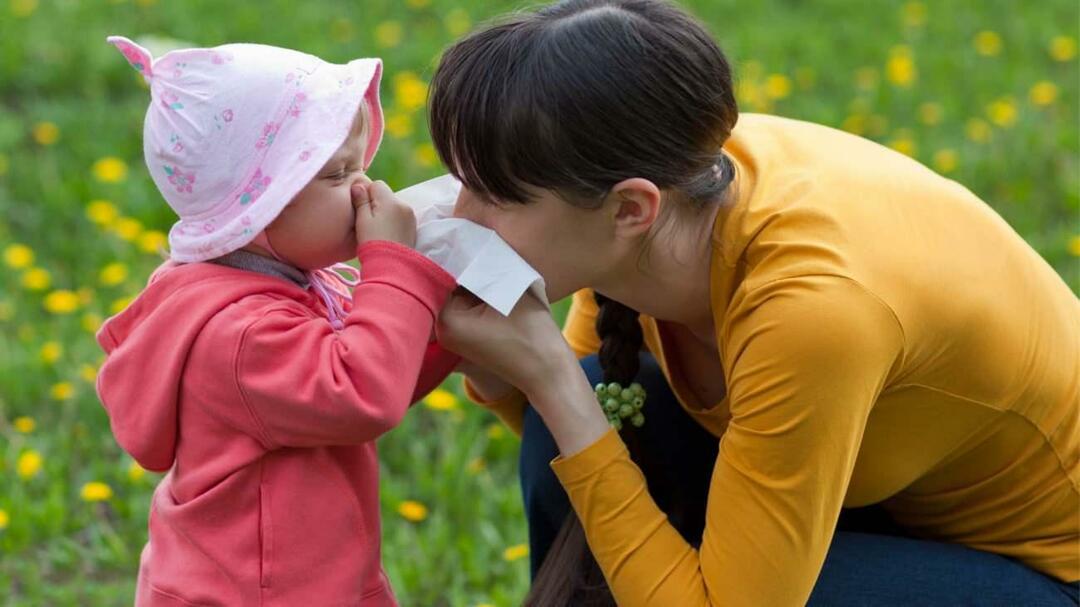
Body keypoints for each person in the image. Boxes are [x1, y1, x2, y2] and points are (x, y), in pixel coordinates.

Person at [429, 1, 1080, 604]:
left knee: (573, 402)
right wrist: (500, 369)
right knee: (582, 403)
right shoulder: (668, 177)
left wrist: (550, 379)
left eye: (496, 194)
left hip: (1042, 573)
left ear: (631, 207)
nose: (460, 216)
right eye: (461, 179)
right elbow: (579, 446)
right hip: (883, 506)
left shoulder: (812, 304)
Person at [96, 37, 457, 605]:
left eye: (359, 166)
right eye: (338, 175)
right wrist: (394, 269)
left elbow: (378, 369)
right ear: (259, 204)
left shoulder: (273, 287)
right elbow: (362, 392)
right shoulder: (241, 334)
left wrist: (444, 326)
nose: (365, 189)